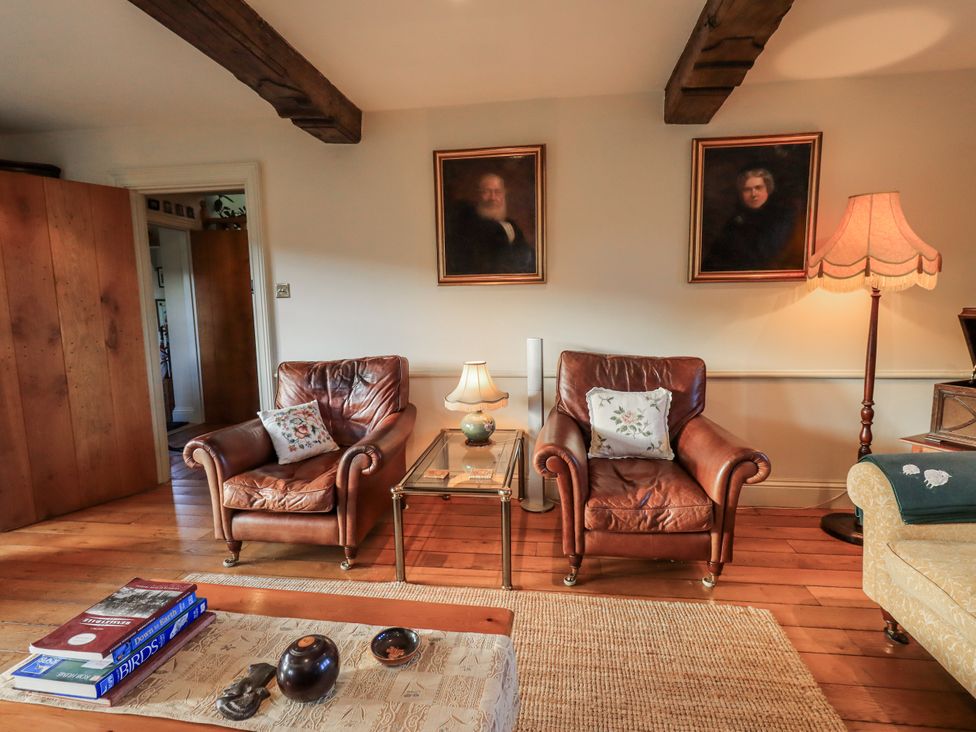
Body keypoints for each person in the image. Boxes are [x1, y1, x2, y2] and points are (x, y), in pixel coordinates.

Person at [701, 167, 803, 272]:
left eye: (758, 188)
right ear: (741, 194)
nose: (753, 194)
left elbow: (767, 256)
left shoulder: (781, 218)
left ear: (768, 189)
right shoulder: (735, 222)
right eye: (747, 190)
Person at [444, 173, 536, 275]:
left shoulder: (511, 226)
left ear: (504, 194)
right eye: (486, 192)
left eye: (498, 192)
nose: (493, 197)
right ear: (478, 195)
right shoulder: (466, 225)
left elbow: (526, 259)